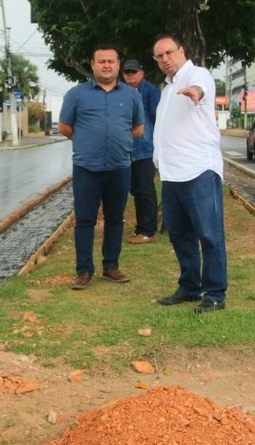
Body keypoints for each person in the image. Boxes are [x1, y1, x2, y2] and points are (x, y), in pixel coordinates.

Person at [150, 33, 227, 313]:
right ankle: (190, 286)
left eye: (169, 53)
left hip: (198, 171)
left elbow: (201, 87)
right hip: (171, 175)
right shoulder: (166, 89)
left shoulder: (197, 74)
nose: (165, 59)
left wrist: (195, 91)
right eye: (159, 56)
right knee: (180, 235)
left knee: (209, 234)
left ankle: (215, 293)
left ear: (181, 51)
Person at [58, 43, 145, 290]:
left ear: (118, 65)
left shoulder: (131, 95)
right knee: (85, 220)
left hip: (120, 166)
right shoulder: (76, 94)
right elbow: (64, 127)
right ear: (93, 65)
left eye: (111, 61)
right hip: (86, 167)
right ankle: (84, 270)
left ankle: (111, 266)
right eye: (101, 61)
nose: (106, 65)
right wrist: (88, 140)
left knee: (115, 219)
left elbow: (138, 128)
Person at [121, 59, 162, 244]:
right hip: (128, 151)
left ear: (141, 73)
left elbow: (158, 119)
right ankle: (140, 228)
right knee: (136, 190)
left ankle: (148, 231)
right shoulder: (122, 92)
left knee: (146, 191)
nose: (130, 76)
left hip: (146, 151)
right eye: (127, 72)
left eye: (133, 72)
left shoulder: (151, 91)